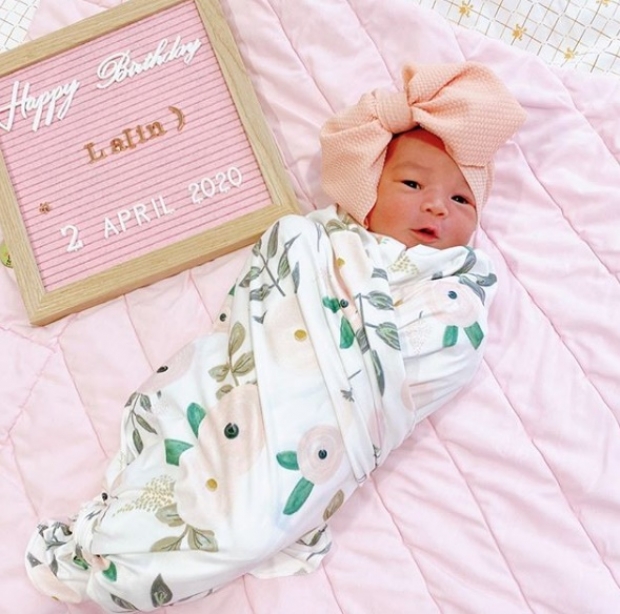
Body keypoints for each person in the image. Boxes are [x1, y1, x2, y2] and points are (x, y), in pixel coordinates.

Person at [25, 62, 525, 611]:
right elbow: (265, 299)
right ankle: (115, 529)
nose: (436, 205)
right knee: (188, 437)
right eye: (411, 184)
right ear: (367, 191)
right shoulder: (317, 244)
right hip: (252, 385)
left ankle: (138, 566)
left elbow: (446, 352)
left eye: (462, 201)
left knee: (251, 518)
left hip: (328, 427)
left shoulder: (456, 287)